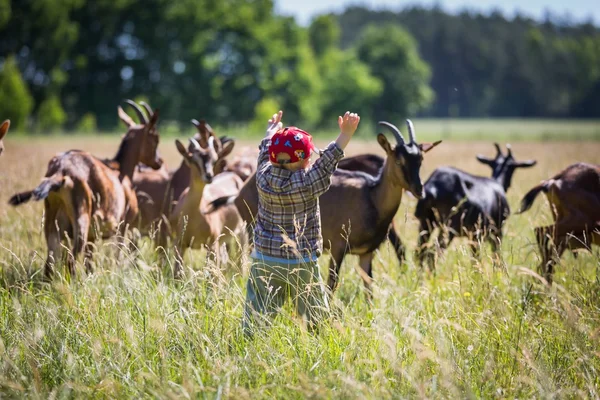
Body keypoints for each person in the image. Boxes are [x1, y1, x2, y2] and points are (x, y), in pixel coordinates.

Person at [243, 109, 360, 335]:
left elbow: (265, 151)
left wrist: (271, 132)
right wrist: (345, 135)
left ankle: (250, 344)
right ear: (306, 159)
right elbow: (327, 161)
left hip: (264, 258)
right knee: (313, 314)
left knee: (257, 312)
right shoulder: (308, 182)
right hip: (301, 260)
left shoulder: (263, 175)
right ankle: (314, 342)